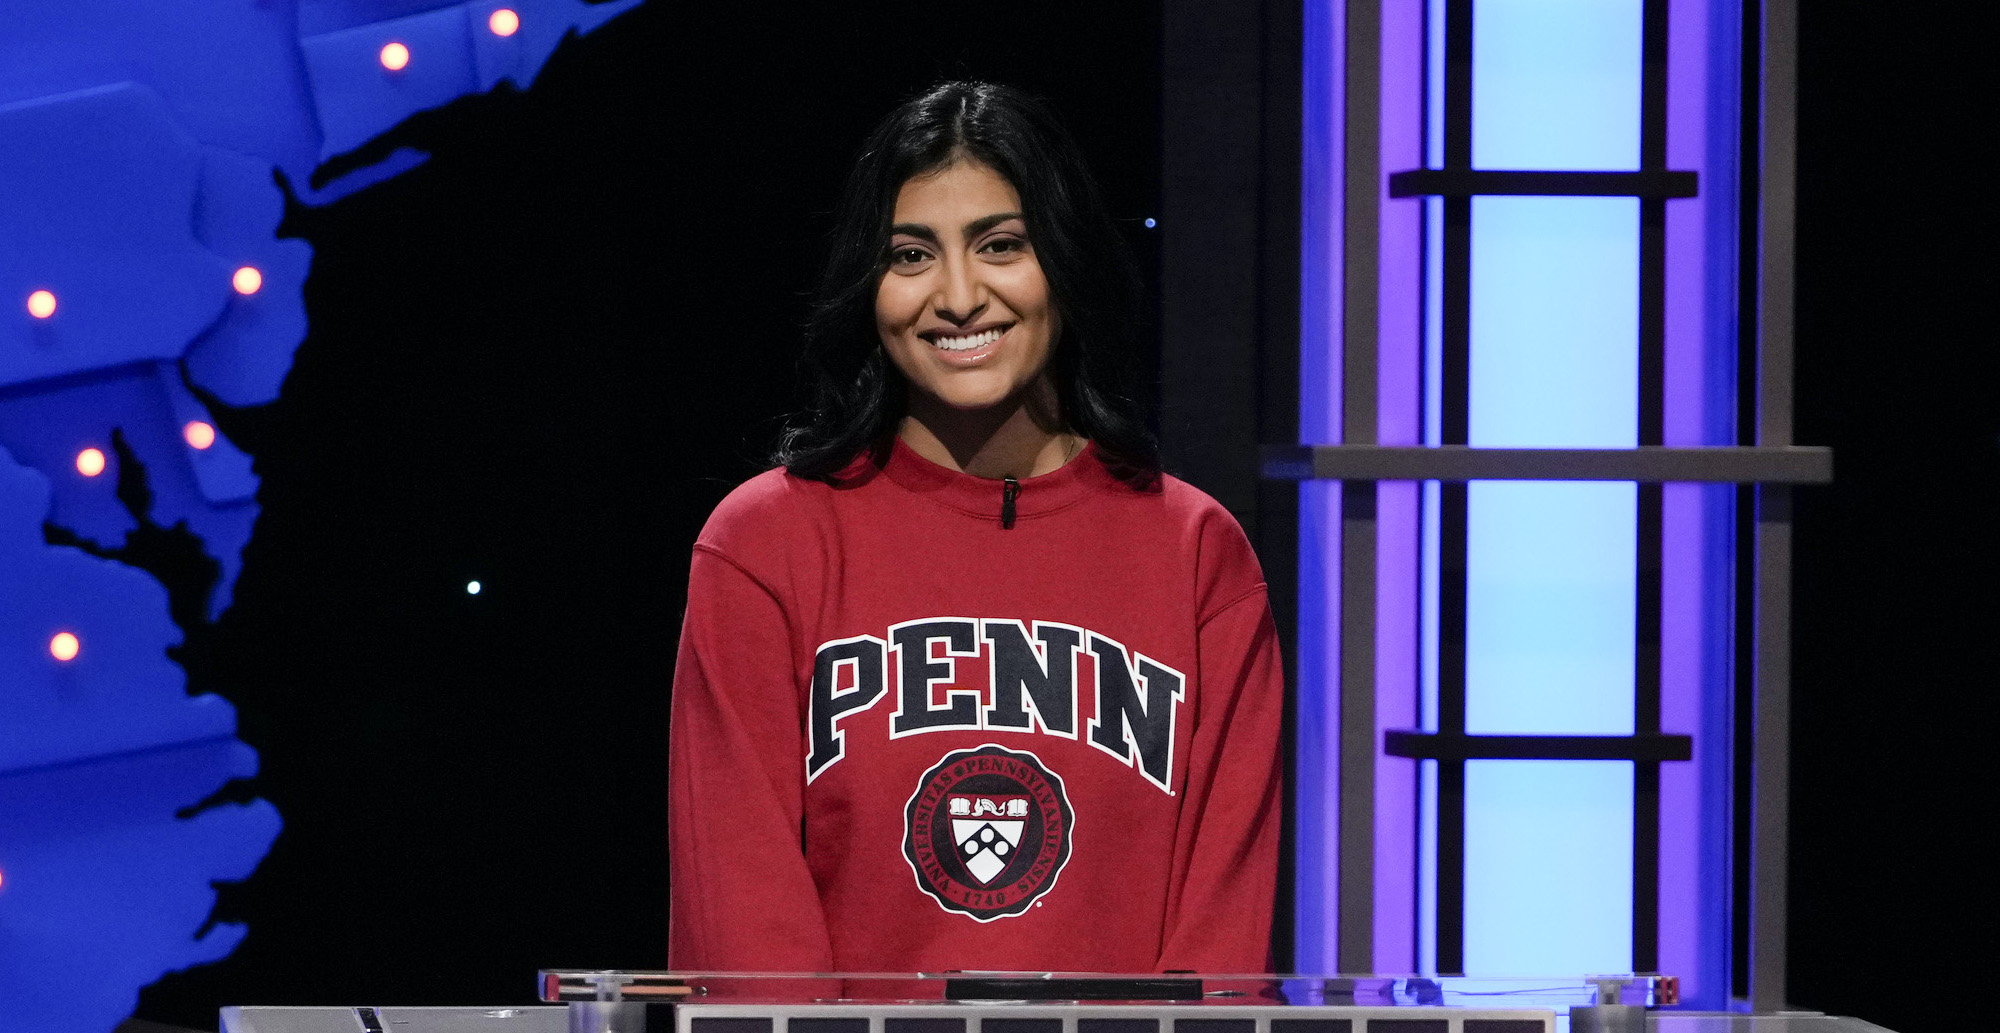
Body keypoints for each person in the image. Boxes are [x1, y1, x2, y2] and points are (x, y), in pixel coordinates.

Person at [668, 82, 1281, 974]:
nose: (958, 296)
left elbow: (1221, 944)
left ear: (1062, 264)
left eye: (1001, 246)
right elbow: (742, 931)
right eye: (911, 255)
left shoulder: (1197, 554)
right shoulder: (765, 545)